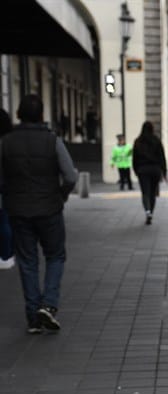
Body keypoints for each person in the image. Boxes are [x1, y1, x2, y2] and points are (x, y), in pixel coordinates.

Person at [0, 95, 77, 333]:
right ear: (42, 114)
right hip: (50, 208)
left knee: (27, 260)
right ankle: (49, 305)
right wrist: (61, 195)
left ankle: (33, 317)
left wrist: (9, 194)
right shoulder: (52, 141)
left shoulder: (5, 142)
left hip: (18, 210)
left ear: (19, 113)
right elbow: (71, 176)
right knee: (55, 256)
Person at [132, 121, 167, 225]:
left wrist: (136, 170)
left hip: (142, 170)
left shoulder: (138, 142)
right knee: (153, 192)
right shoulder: (156, 140)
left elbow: (135, 158)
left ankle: (147, 211)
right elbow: (162, 157)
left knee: (145, 192)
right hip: (155, 170)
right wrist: (164, 172)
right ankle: (151, 211)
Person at [0, 109, 15, 269]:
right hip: (8, 187)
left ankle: (5, 254)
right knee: (6, 219)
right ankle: (7, 254)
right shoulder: (9, 141)